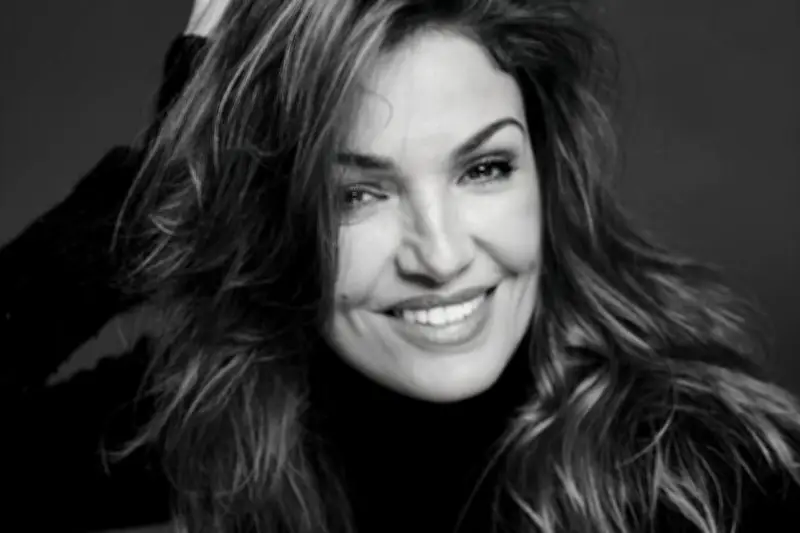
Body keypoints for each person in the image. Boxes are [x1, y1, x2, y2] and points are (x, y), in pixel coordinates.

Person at [3, 1, 800, 532]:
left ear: (545, 171)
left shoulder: (704, 472)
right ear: (269, 214)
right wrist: (164, 184)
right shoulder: (230, 414)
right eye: (356, 194)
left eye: (484, 169)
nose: (441, 256)